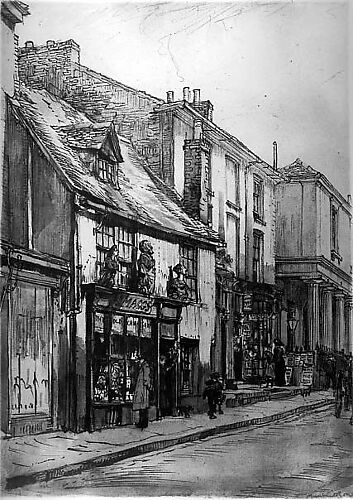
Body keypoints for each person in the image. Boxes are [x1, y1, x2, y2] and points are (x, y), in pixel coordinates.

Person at [133, 356, 151, 430]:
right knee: (142, 407)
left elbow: (146, 379)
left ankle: (143, 423)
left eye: (139, 360)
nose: (139, 362)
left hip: (143, 389)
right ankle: (141, 422)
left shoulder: (145, 367)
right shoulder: (143, 367)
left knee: (143, 407)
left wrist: (146, 385)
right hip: (141, 388)